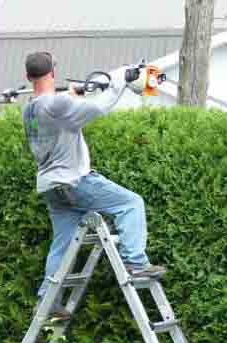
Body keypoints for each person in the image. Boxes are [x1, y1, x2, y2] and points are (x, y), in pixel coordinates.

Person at [22, 52, 166, 322]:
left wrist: (77, 93)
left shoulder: (30, 109)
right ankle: (136, 263)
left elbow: (62, 110)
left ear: (29, 76)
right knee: (131, 203)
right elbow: (98, 108)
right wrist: (119, 83)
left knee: (62, 244)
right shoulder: (57, 104)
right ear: (53, 72)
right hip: (74, 180)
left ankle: (47, 299)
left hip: (51, 186)